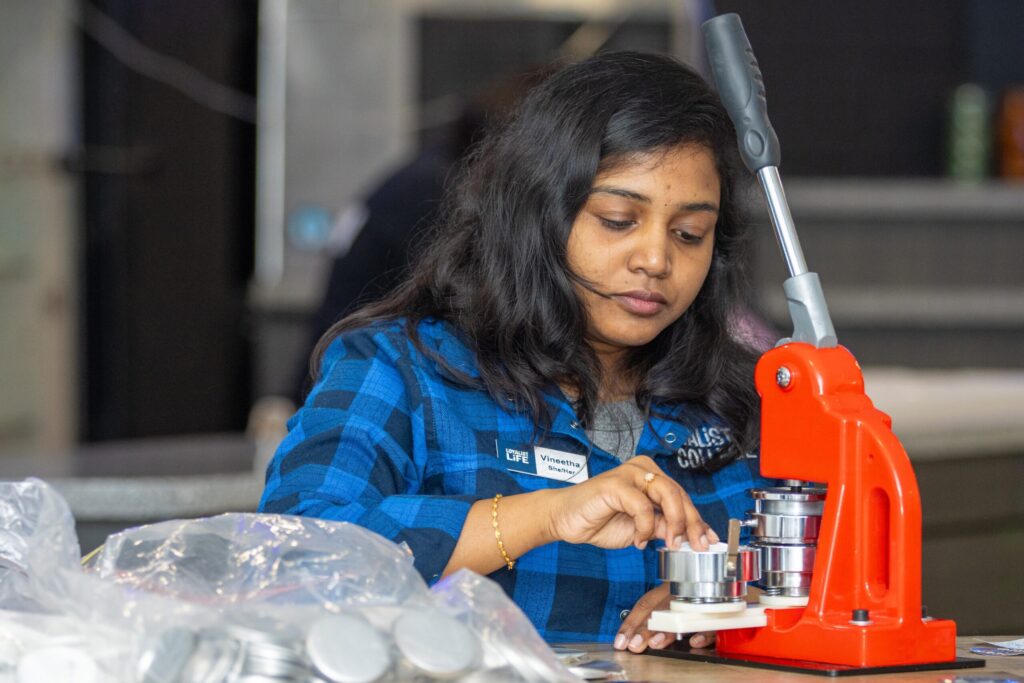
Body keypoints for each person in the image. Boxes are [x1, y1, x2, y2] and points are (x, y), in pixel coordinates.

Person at [259, 51, 771, 651]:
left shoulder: (739, 402)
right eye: (616, 220)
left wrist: (741, 606)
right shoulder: (403, 371)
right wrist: (545, 516)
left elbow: (836, 588)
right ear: (536, 214)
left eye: (689, 234)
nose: (656, 260)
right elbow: (294, 556)